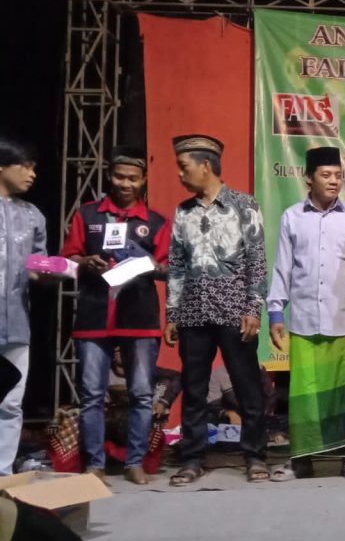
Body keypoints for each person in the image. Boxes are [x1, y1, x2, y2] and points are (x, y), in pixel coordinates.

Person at [60, 145, 170, 485]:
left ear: (144, 179)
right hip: (94, 316)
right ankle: (94, 465)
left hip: (139, 318)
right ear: (109, 175)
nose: (125, 183)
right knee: (92, 395)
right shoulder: (88, 215)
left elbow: (169, 268)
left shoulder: (155, 222)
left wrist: (148, 265)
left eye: (133, 178)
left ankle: (134, 462)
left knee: (141, 394)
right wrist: (85, 262)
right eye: (119, 176)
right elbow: (67, 258)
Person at [163, 134, 269, 485]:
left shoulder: (243, 205)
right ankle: (193, 458)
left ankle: (255, 455)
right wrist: (173, 314)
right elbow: (177, 265)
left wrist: (253, 307)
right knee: (194, 388)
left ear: (205, 165)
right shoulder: (183, 212)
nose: (180, 174)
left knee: (247, 386)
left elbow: (257, 261)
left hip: (235, 311)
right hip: (193, 313)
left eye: (184, 167)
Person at [266, 146, 345, 480]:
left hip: (344, 317)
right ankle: (301, 460)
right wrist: (275, 312)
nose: (334, 181)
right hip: (304, 320)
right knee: (305, 394)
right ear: (308, 178)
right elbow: (282, 267)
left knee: (344, 392)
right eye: (326, 175)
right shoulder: (292, 217)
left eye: (338, 175)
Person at [0, 135, 46, 476]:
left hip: (16, 322)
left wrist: (57, 270)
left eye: (34, 168)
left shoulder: (33, 216)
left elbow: (38, 265)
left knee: (11, 401)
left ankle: (2, 474)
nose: (32, 174)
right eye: (25, 166)